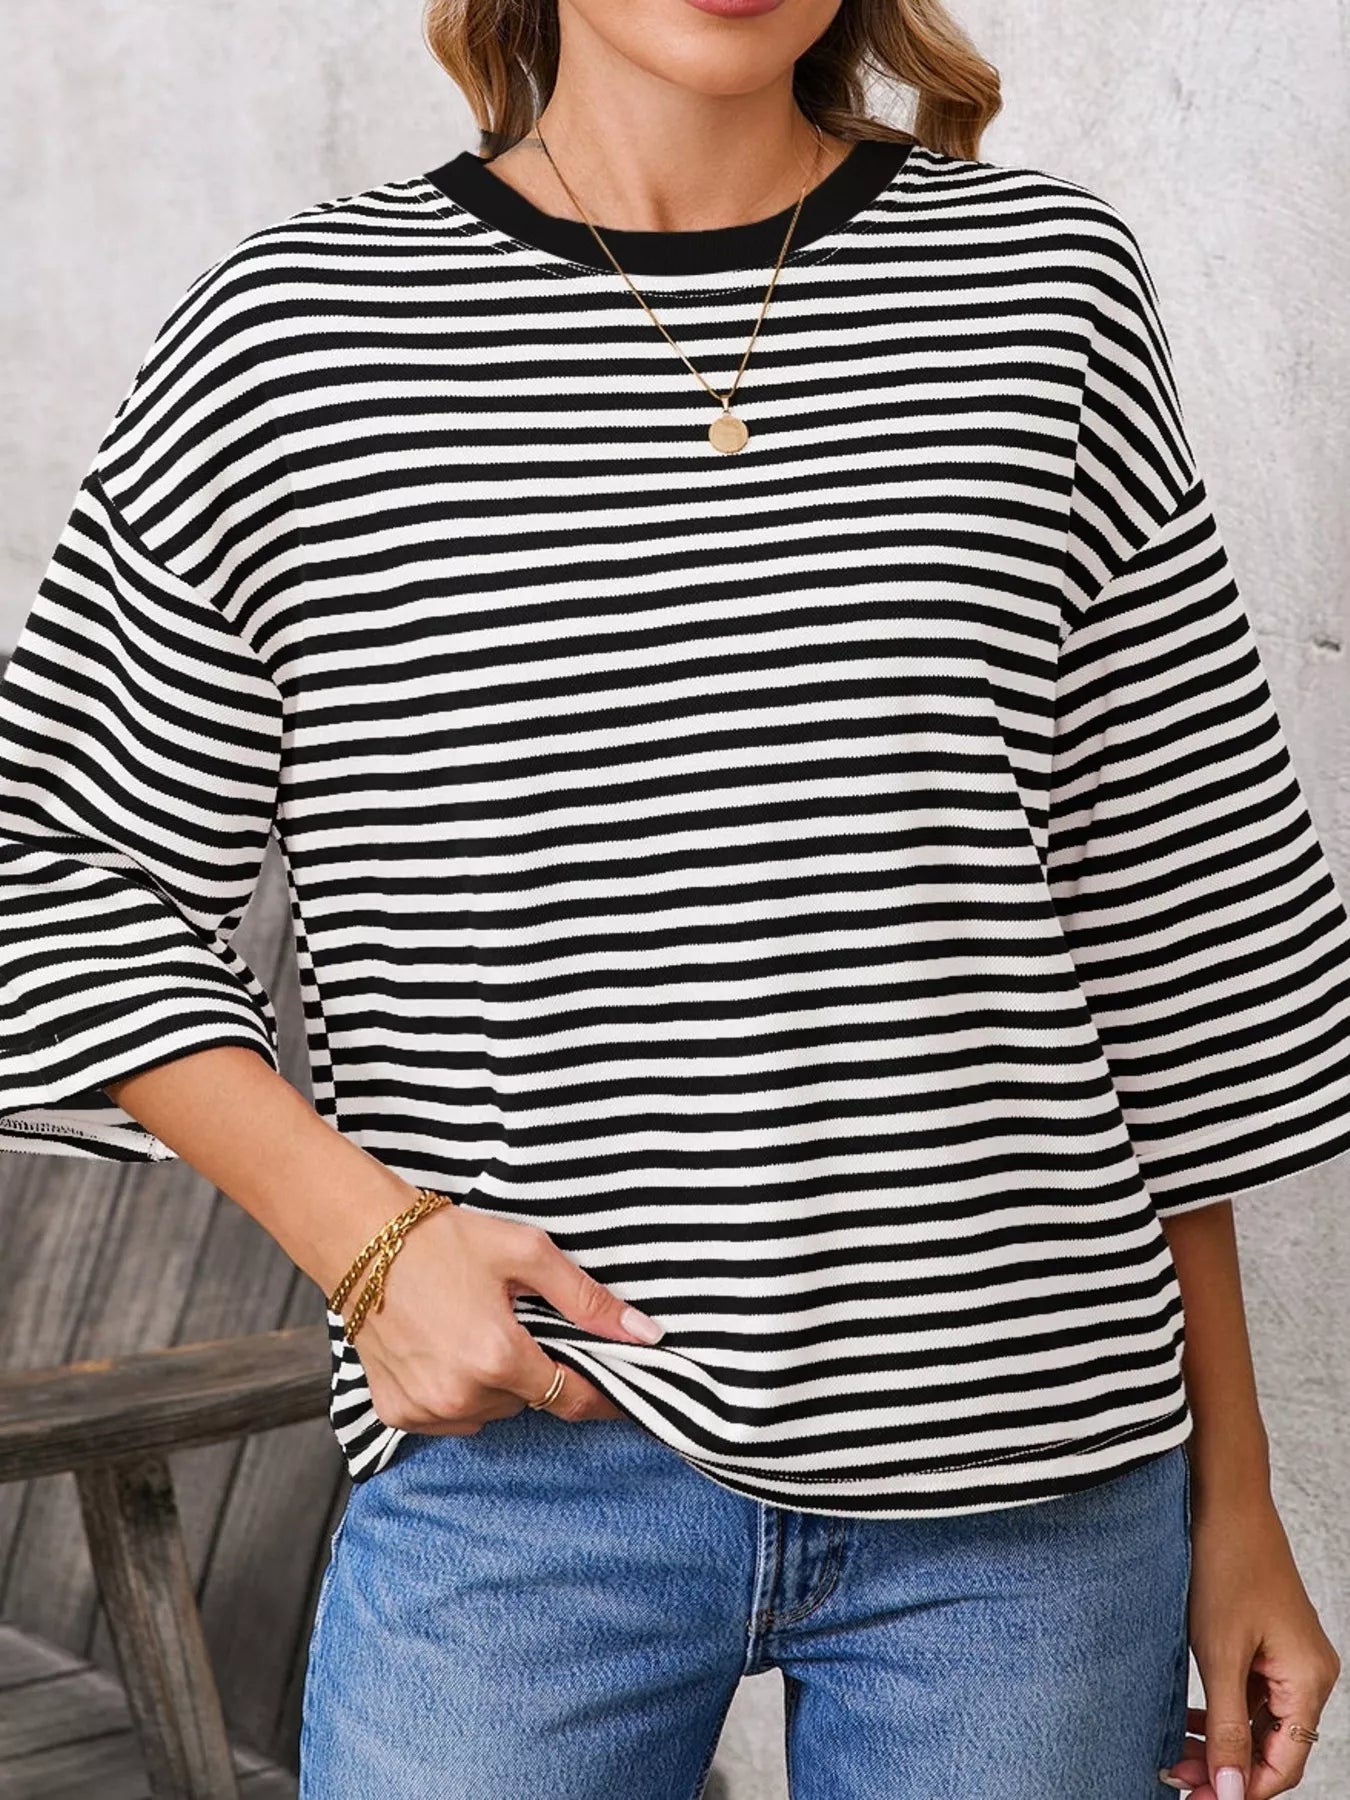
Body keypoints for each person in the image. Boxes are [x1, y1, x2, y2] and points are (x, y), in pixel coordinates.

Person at [1, 0, 1345, 1795]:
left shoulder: (1043, 285)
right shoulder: (299, 332)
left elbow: (1176, 925)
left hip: (1030, 1485)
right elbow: (58, 870)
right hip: (524, 1466)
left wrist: (1236, 1502)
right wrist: (371, 1247)